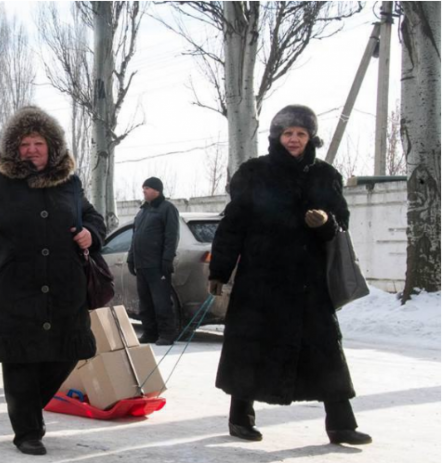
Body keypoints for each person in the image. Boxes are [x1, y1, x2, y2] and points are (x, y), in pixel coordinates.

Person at [208, 105, 372, 446]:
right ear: (276, 137)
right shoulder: (254, 173)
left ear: (310, 137)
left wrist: (326, 223)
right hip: (261, 280)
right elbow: (232, 224)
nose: (294, 139)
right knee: (251, 347)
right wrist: (219, 269)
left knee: (325, 349)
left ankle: (341, 425)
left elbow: (341, 222)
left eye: (300, 133)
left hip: (308, 282)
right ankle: (240, 417)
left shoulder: (325, 175)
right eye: (288, 133)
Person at [0, 106, 106, 456]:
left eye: (38, 142)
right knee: (20, 360)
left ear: (51, 146)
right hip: (15, 286)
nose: (31, 149)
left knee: (65, 353)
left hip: (65, 286)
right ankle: (27, 431)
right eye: (24, 144)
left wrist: (90, 233)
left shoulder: (70, 183)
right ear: (13, 149)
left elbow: (93, 217)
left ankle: (28, 410)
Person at [126, 177, 180, 346]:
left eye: (147, 188)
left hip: (157, 265)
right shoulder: (142, 212)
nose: (144, 191)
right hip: (142, 265)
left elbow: (172, 235)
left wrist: (166, 258)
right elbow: (135, 237)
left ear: (157, 190)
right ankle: (150, 332)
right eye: (143, 189)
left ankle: (166, 334)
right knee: (145, 303)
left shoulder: (167, 209)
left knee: (161, 301)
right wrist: (131, 258)